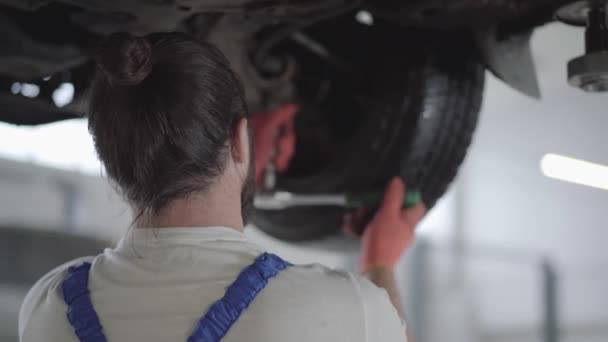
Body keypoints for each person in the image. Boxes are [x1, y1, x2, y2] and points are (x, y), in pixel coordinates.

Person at [18, 32, 426, 342]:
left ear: (109, 162)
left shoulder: (49, 307)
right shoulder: (344, 309)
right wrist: (379, 264)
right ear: (238, 140)